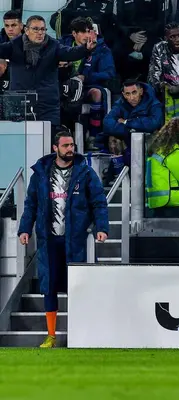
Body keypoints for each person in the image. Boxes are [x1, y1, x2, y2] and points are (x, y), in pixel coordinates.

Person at [17, 131, 109, 348]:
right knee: (49, 287)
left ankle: (81, 333)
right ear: (55, 148)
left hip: (74, 239)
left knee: (77, 286)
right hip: (49, 239)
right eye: (66, 145)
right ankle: (51, 335)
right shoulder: (40, 174)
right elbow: (31, 204)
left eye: (72, 145)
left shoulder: (85, 173)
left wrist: (101, 227)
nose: (70, 149)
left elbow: (99, 202)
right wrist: (25, 229)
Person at [0, 15, 97, 131]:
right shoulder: (15, 45)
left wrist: (86, 48)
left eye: (42, 29)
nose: (40, 33)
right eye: (35, 29)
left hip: (46, 104)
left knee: (47, 140)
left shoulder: (53, 45)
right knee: (18, 140)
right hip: (19, 103)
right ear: (26, 30)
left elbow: (70, 53)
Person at [58, 17, 116, 147]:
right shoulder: (61, 46)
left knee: (96, 93)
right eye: (83, 32)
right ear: (74, 34)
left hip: (88, 86)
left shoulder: (101, 49)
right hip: (65, 87)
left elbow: (109, 73)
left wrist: (86, 77)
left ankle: (93, 136)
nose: (87, 35)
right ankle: (63, 132)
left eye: (89, 31)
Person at [102, 80, 164, 162]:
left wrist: (126, 122)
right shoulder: (120, 104)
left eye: (134, 92)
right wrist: (130, 130)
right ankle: (119, 172)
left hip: (148, 140)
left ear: (141, 91)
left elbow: (153, 123)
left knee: (154, 136)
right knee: (113, 140)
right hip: (127, 139)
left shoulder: (153, 103)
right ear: (124, 95)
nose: (132, 97)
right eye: (128, 94)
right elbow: (107, 123)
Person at [113, 0, 168, 80]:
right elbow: (118, 21)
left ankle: (150, 84)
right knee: (117, 51)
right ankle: (124, 84)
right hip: (127, 35)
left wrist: (144, 36)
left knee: (154, 51)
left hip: (150, 34)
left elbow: (161, 20)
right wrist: (130, 34)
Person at [50, 0, 116, 45]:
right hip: (74, 38)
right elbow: (57, 16)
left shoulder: (110, 2)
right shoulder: (75, 1)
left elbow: (112, 20)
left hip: (101, 40)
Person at [0, 11, 24, 94]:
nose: (10, 29)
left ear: (21, 26)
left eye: (14, 25)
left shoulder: (31, 41)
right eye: (7, 26)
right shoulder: (1, 41)